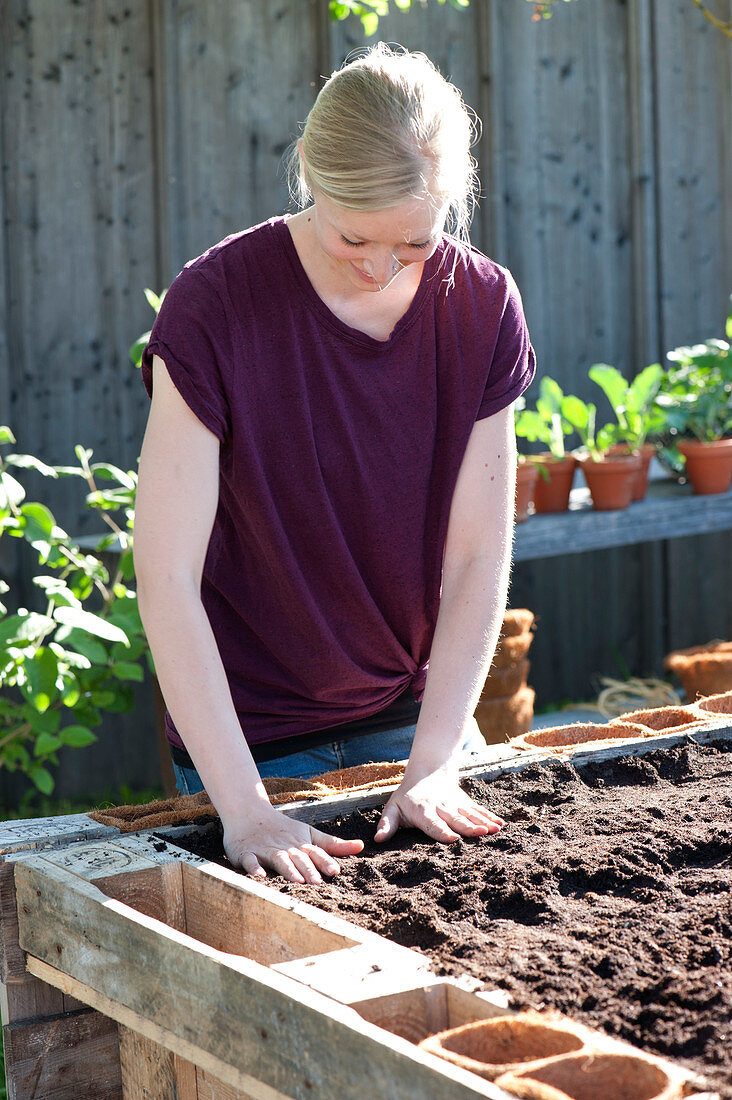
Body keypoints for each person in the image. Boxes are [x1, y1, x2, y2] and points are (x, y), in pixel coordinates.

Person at [134, 44, 535, 886]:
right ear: (311, 170)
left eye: (416, 244)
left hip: (420, 725)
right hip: (251, 745)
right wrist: (244, 809)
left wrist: (433, 766)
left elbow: (476, 558)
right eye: (355, 236)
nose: (381, 267)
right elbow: (165, 574)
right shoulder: (214, 305)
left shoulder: (484, 306)